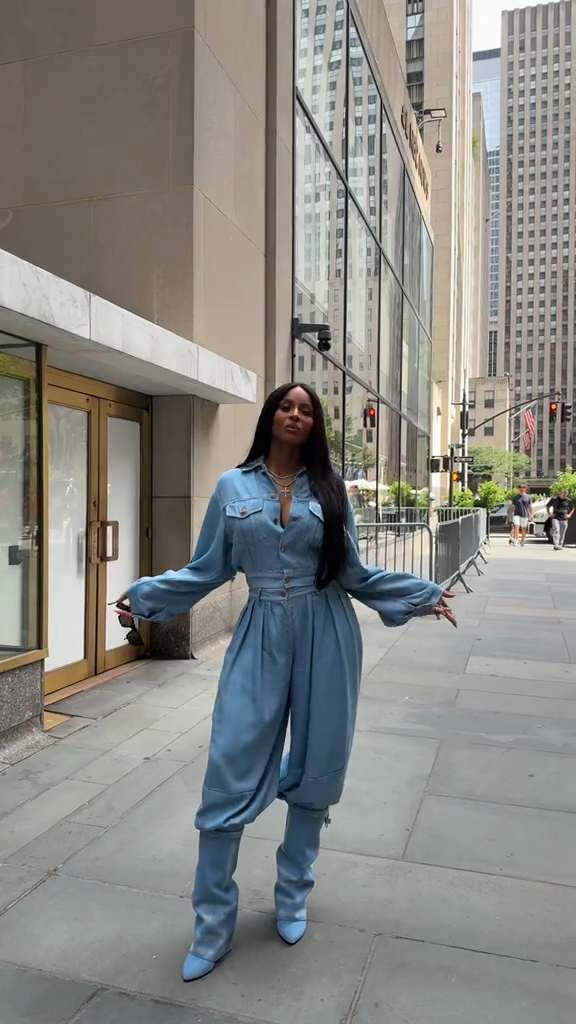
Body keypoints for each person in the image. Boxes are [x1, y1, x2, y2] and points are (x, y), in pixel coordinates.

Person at [117, 384, 456, 983]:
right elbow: (208, 568)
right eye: (285, 406)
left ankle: (293, 895)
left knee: (318, 765)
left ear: (314, 424)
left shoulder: (329, 489)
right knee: (230, 766)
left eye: (306, 409)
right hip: (260, 632)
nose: (295, 414)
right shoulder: (232, 487)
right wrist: (146, 597)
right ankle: (212, 927)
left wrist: (420, 595)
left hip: (327, 629)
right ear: (270, 416)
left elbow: (352, 571)